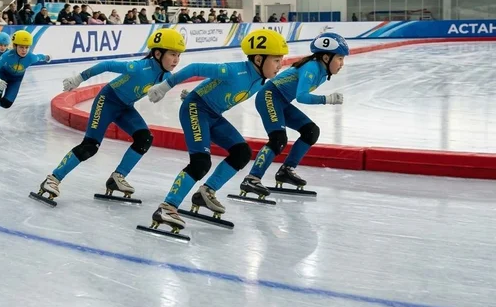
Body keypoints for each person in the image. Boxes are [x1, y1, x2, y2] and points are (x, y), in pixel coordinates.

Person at [140, 29, 288, 237]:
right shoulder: (235, 71)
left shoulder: (259, 79)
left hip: (212, 113)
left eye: (281, 60)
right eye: (276, 60)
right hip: (196, 109)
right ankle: (167, 207)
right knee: (201, 162)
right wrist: (165, 86)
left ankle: (205, 193)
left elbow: (216, 89)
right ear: (258, 58)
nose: (280, 65)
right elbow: (194, 68)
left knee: (242, 152)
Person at [32, 29, 186, 206]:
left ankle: (117, 177)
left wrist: (188, 96)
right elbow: (106, 65)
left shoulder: (166, 76)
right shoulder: (138, 67)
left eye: (179, 55)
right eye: (173, 54)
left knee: (144, 138)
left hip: (125, 108)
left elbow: (171, 85)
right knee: (90, 146)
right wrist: (79, 78)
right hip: (107, 101)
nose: (176, 60)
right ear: (158, 53)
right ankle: (53, 179)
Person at [240, 32, 349, 201]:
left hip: (281, 100)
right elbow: (302, 96)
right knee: (278, 139)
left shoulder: (320, 68)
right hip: (269, 96)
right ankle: (252, 179)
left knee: (311, 131)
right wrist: (327, 99)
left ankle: (286, 171)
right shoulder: (312, 67)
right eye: (340, 58)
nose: (342, 63)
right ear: (326, 58)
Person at [0, 30, 50, 134]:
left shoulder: (31, 57)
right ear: (15, 46)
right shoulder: (7, 55)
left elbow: (40, 56)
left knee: (7, 104)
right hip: (3, 75)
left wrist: (47, 57)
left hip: (16, 80)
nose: (24, 50)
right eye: (21, 47)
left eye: (26, 47)